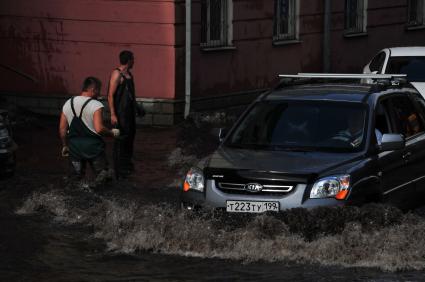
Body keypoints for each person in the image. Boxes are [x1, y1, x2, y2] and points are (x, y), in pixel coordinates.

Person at [59, 77, 120, 183]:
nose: (99, 93)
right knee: (104, 178)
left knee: (74, 180)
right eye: (98, 90)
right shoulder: (96, 105)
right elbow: (99, 128)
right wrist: (112, 133)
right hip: (93, 149)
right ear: (93, 89)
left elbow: (62, 129)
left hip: (75, 149)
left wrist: (65, 146)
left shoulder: (68, 103)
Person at [107, 50, 138, 176]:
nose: (134, 62)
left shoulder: (129, 74)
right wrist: (113, 114)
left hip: (129, 113)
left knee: (130, 136)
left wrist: (137, 108)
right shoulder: (117, 74)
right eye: (133, 59)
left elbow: (131, 95)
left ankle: (127, 163)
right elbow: (110, 95)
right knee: (121, 138)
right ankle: (118, 168)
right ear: (129, 60)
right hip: (120, 113)